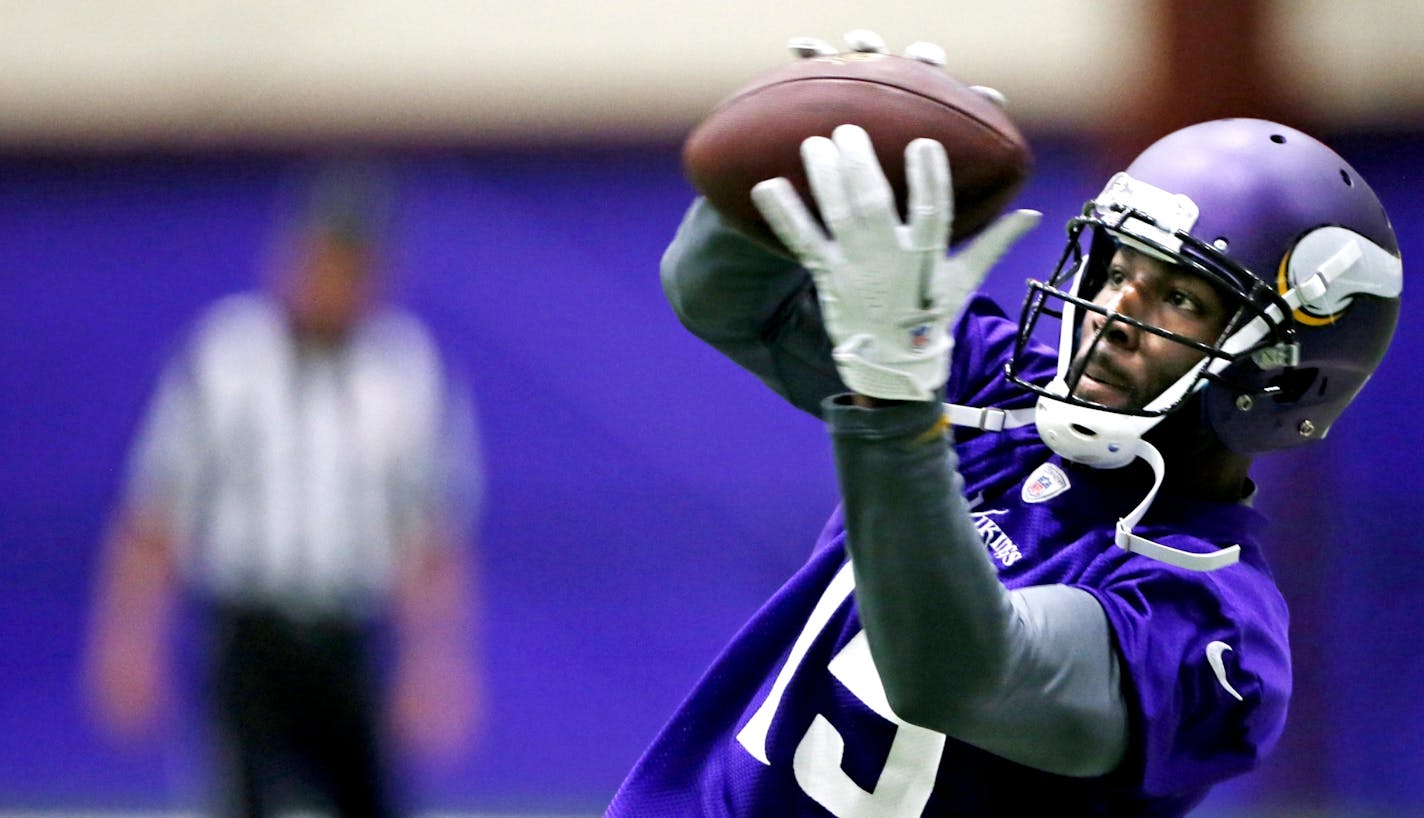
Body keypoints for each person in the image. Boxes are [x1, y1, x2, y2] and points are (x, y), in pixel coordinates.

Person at [608, 33, 1404, 817]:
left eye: (1181, 299)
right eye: (1118, 269)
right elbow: (720, 294)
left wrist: (895, 402)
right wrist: (812, 150)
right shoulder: (1000, 385)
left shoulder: (1210, 621)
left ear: (1283, 376)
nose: (1114, 314)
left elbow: (960, 674)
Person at [83, 163, 483, 818]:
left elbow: (432, 536)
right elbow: (156, 513)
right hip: (249, 638)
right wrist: (127, 642)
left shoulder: (404, 369)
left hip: (348, 636)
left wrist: (435, 661)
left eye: (352, 264)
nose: (333, 282)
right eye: (323, 259)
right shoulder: (228, 355)